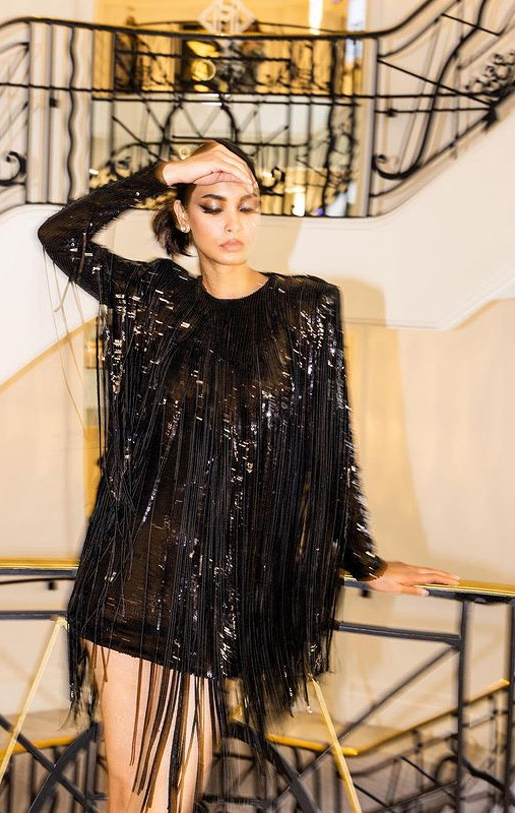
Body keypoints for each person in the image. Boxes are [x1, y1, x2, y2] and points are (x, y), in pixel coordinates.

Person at [37, 139, 460, 813]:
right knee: (132, 791)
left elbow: (329, 449)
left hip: (219, 591)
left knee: (172, 792)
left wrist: (362, 560)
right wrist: (163, 172)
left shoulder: (306, 308)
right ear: (182, 216)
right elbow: (59, 236)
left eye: (247, 206)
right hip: (130, 576)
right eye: (212, 206)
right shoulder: (153, 298)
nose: (233, 223)